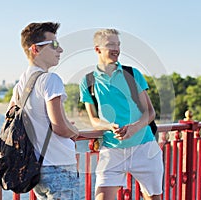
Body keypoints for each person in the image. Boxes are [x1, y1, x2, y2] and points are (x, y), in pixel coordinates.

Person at [79, 29, 163, 200]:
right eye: (111, 44)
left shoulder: (132, 74)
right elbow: (94, 120)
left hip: (144, 148)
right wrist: (108, 126)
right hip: (112, 151)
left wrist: (134, 128)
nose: (116, 48)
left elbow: (150, 112)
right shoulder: (88, 81)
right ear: (98, 49)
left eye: (118, 44)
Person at [8, 21, 80, 200]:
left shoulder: (20, 85)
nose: (60, 49)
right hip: (59, 167)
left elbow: (11, 119)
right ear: (35, 49)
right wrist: (74, 131)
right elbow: (60, 128)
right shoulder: (50, 79)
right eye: (54, 44)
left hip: (36, 168)